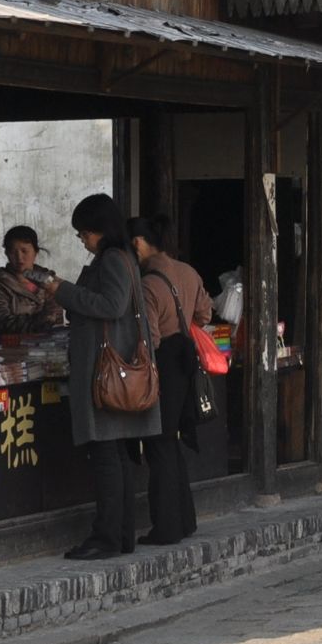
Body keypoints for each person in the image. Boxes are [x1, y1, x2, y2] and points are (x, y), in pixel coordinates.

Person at [40, 193, 170, 560]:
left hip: (107, 374)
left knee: (106, 458)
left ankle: (107, 537)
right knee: (115, 456)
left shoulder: (113, 260)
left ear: (99, 229)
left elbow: (111, 306)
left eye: (84, 232)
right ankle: (119, 535)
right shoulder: (123, 258)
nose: (82, 239)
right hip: (114, 371)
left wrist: (61, 291)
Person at [130, 214, 209, 544]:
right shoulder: (188, 272)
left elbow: (149, 338)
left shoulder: (148, 284)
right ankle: (185, 520)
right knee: (172, 443)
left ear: (138, 243)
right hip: (185, 363)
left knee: (158, 446)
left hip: (163, 365)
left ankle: (166, 527)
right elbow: (205, 314)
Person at [0, 225, 61, 339]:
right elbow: (1, 321)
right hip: (11, 351)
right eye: (13, 252)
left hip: (47, 350)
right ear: (6, 253)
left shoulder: (49, 282)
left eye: (25, 251)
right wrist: (41, 320)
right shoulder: (0, 285)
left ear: (36, 252)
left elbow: (57, 318)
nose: (19, 258)